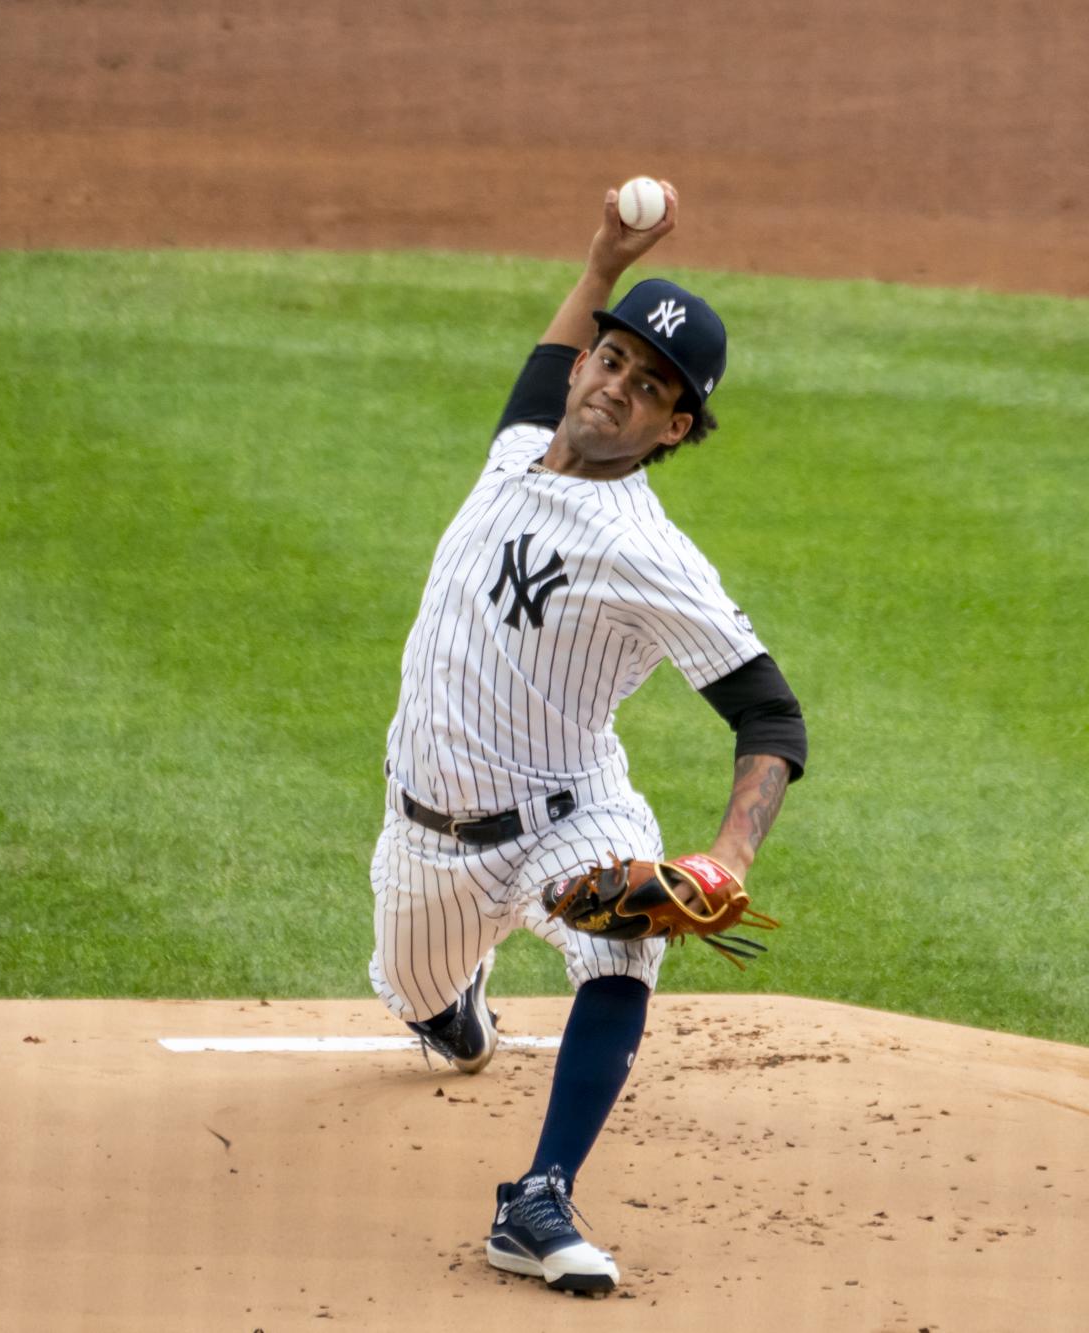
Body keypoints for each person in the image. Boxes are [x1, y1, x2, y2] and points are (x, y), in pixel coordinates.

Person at [366, 181, 809, 1294]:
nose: (618, 385)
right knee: (416, 992)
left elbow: (771, 712)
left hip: (571, 810)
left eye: (653, 386)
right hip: (428, 845)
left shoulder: (647, 552)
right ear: (584, 370)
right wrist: (602, 263)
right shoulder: (520, 441)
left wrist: (727, 857)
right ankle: (452, 1014)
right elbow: (547, 351)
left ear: (674, 429)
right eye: (612, 360)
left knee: (626, 934)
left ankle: (538, 1196)